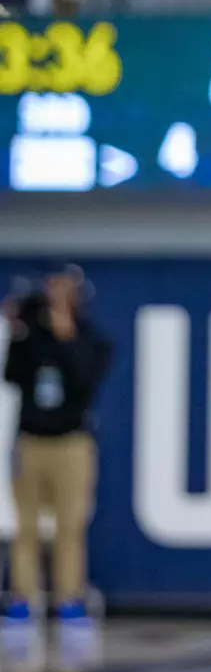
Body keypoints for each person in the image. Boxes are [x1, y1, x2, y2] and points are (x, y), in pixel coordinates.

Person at [3, 264, 112, 631]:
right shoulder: (31, 336)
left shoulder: (93, 340)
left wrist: (65, 336)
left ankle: (69, 599)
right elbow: (13, 375)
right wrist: (22, 330)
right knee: (26, 527)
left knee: (69, 526)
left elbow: (85, 379)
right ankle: (22, 598)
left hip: (70, 442)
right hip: (31, 440)